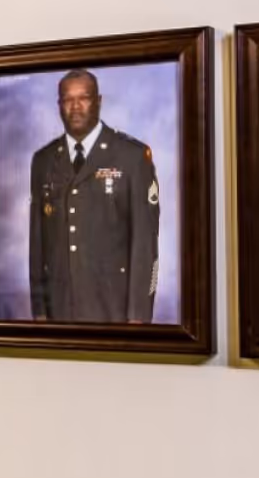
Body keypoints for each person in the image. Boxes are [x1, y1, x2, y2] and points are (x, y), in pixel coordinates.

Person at [26, 69, 160, 323]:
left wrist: (138, 317)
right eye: (68, 99)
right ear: (59, 105)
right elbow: (37, 244)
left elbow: (145, 244)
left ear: (98, 101)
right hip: (59, 309)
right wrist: (40, 311)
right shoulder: (43, 160)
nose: (75, 107)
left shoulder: (132, 156)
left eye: (84, 98)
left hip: (114, 309)